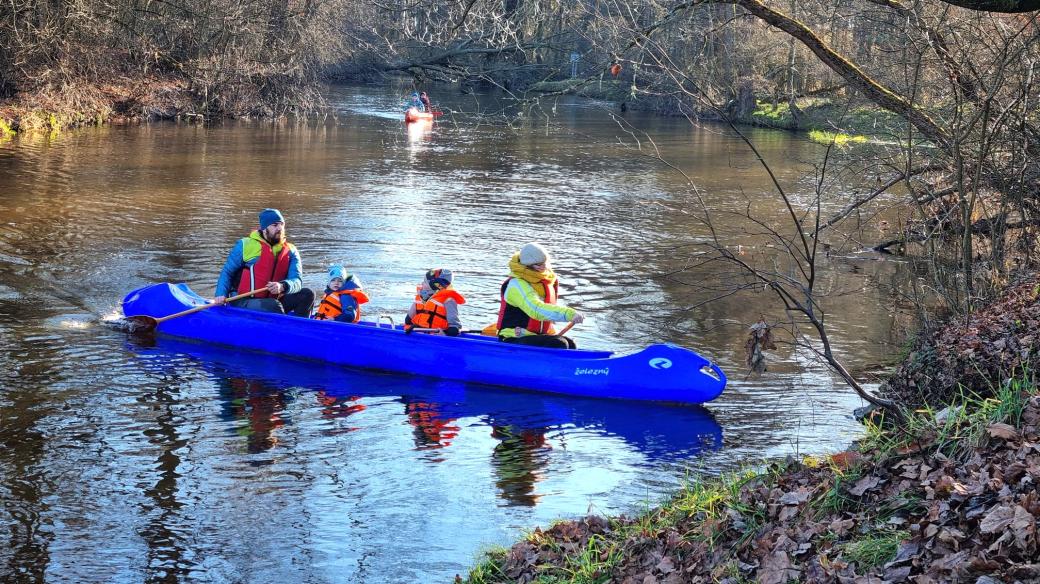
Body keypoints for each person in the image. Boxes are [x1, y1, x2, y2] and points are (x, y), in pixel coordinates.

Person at [214, 208, 314, 317]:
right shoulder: (244, 245)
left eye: (282, 224)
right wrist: (220, 294)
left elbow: (297, 281)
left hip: (274, 300)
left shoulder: (291, 250)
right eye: (275, 225)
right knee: (273, 306)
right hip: (243, 301)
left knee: (307, 294)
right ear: (264, 228)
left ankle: (300, 328)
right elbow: (228, 272)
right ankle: (283, 326)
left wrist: (283, 286)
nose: (280, 228)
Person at [496, 242, 584, 349]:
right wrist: (569, 314)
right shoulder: (516, 284)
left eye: (545, 263)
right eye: (538, 264)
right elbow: (536, 309)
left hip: (533, 336)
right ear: (527, 265)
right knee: (560, 344)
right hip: (513, 337)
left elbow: (548, 311)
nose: (543, 267)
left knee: (571, 344)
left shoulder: (544, 280)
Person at [404, 268, 465, 335]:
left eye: (425, 282)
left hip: (436, 336)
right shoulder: (420, 296)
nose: (422, 283)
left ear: (434, 284)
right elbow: (408, 320)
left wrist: (444, 334)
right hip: (417, 331)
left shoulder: (448, 300)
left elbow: (454, 329)